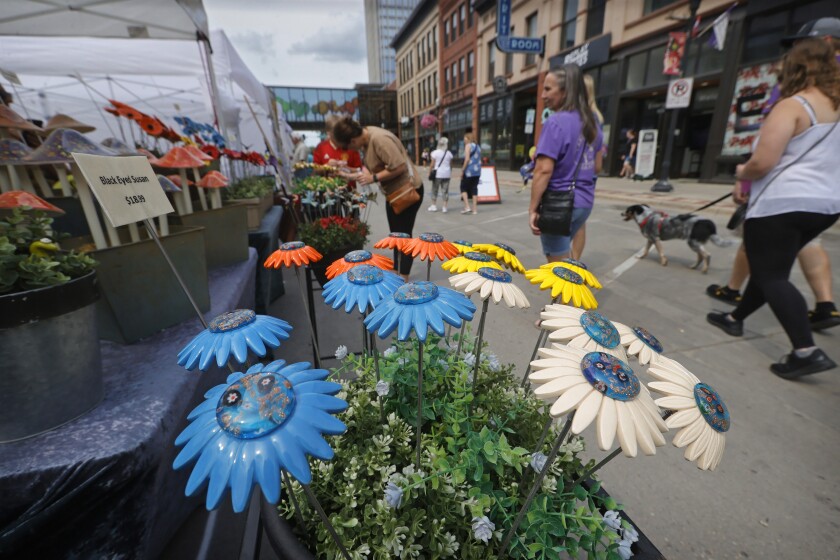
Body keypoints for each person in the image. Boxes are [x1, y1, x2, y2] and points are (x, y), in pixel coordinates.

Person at [706, 38, 840, 379]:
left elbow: (763, 161)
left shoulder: (792, 106)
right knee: (772, 267)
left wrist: (741, 172)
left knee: (772, 275)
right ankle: (735, 319)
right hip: (826, 205)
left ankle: (805, 351)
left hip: (782, 202)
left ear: (795, 68)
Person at [332, 117, 423, 281]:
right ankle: (398, 271)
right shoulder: (367, 139)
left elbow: (399, 166)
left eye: (347, 146)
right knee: (396, 235)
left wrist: (373, 178)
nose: (349, 150)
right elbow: (372, 168)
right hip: (394, 193)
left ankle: (403, 276)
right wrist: (347, 170)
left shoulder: (379, 139)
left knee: (403, 236)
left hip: (407, 191)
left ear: (352, 140)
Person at [529, 63, 604, 263]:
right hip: (584, 203)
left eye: (548, 89)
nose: (543, 95)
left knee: (559, 273)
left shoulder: (556, 122)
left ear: (565, 91)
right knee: (565, 262)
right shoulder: (593, 122)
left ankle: (567, 296)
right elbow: (597, 167)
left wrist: (533, 208)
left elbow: (543, 170)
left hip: (559, 205)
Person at [572, 74, 606, 260]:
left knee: (558, 237)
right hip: (588, 184)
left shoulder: (569, 119)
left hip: (567, 185)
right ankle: (574, 263)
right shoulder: (597, 120)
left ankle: (563, 271)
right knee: (581, 224)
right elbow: (598, 165)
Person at [312, 115, 363, 188]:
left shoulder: (351, 145)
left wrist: (346, 169)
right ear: (328, 133)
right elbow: (315, 171)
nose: (339, 135)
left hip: (349, 190)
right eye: (336, 132)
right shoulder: (321, 147)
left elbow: (360, 170)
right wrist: (326, 166)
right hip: (327, 190)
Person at [427, 136, 453, 213]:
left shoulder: (435, 153)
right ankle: (444, 207)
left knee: (435, 189)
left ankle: (434, 205)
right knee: (445, 190)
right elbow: (451, 164)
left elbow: (432, 164)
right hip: (447, 174)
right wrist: (449, 171)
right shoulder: (449, 153)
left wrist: (429, 172)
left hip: (437, 174)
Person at [459, 131, 481, 215]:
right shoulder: (478, 147)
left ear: (468, 138)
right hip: (477, 171)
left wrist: (462, 170)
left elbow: (467, 159)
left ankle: (467, 206)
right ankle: (475, 209)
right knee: (474, 188)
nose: (464, 140)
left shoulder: (468, 146)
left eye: (465, 138)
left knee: (463, 188)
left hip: (469, 171)